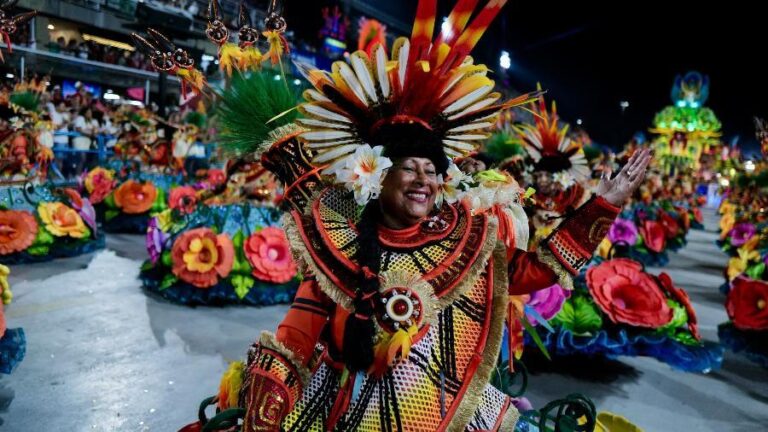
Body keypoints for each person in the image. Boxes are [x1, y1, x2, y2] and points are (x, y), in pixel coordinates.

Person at [179, 1, 651, 430]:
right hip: (347, 407)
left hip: (448, 406)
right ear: (377, 176)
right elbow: (294, 339)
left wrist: (602, 206)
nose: (424, 179)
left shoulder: (467, 237)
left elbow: (536, 270)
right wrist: (264, 414)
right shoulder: (337, 240)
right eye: (409, 168)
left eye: (432, 170)